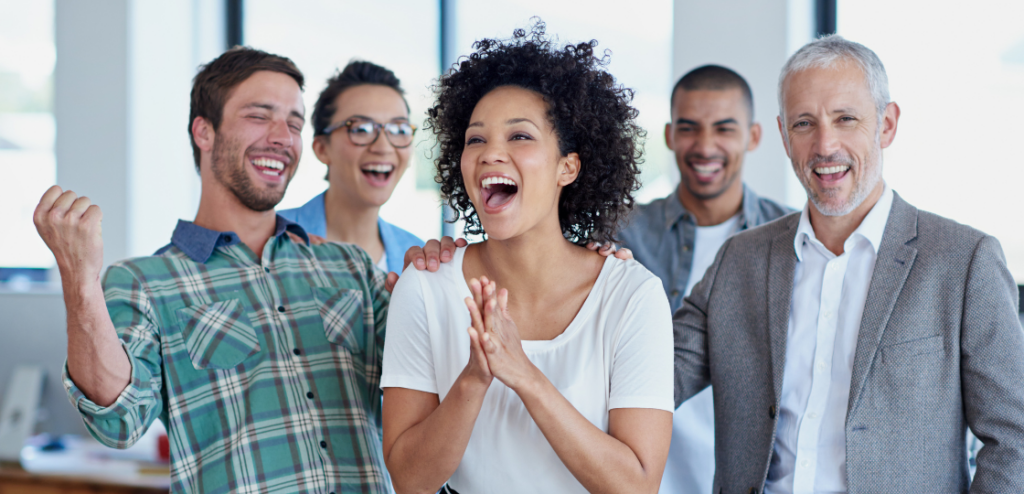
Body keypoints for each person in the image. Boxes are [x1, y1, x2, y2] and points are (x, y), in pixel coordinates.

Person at [33, 47, 394, 493]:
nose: (283, 137)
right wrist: (79, 279)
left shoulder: (350, 268)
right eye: (260, 116)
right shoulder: (144, 283)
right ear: (204, 132)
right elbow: (118, 421)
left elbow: (433, 375)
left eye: (295, 123)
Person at [673, 35, 1024, 493]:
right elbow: (655, 375)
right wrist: (595, 277)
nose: (825, 145)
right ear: (782, 135)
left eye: (846, 119)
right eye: (804, 123)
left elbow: (1014, 437)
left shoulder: (963, 261)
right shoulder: (738, 260)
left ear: (886, 125)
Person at [380, 24, 674, 494]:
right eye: (475, 140)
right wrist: (475, 379)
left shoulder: (632, 297)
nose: (490, 152)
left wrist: (524, 376)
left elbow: (637, 486)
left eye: (519, 136)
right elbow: (410, 481)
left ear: (568, 167)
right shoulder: (427, 287)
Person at [617, 65, 793, 494]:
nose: (705, 146)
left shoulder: (792, 239)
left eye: (724, 129)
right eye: (689, 128)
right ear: (669, 135)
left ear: (753, 137)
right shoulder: (620, 234)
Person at [278, 61, 423, 274]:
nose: (383, 147)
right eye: (361, 129)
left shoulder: (420, 258)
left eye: (399, 130)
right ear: (321, 149)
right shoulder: (273, 239)